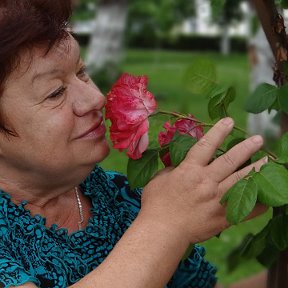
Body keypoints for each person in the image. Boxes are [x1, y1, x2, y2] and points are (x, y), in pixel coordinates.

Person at [0, 1, 267, 287]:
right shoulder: (154, 213)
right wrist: (167, 225)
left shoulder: (112, 196)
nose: (96, 98)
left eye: (81, 72)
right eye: (55, 93)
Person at [247, 25, 280, 141]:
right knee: (260, 103)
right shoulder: (266, 23)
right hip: (263, 70)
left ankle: (269, 136)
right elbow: (252, 47)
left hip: (272, 73)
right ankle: (260, 135)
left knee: (270, 106)